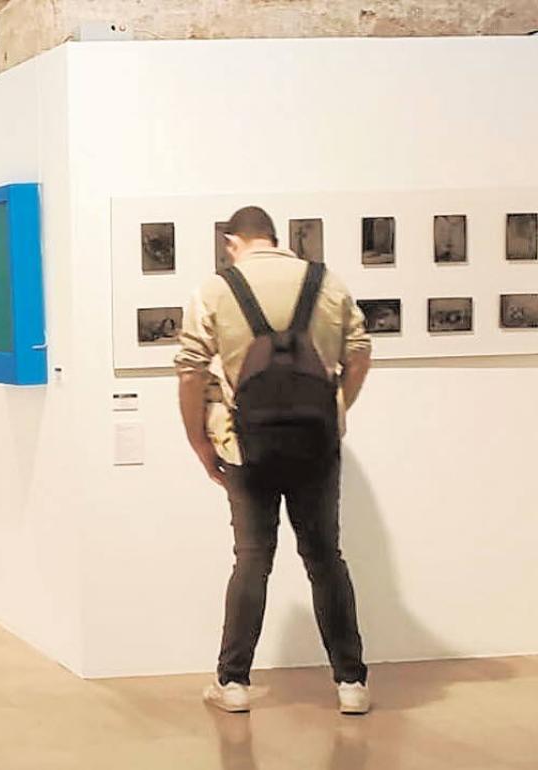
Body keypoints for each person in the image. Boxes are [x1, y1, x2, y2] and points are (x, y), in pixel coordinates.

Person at [175, 206, 373, 715]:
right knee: (326, 558)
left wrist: (199, 441)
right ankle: (351, 684)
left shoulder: (217, 289)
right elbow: (360, 352)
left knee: (252, 558)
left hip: (245, 445)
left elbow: (191, 371)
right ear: (276, 238)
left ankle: (234, 683)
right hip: (316, 445)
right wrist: (336, 408)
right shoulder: (327, 283)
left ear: (233, 241)